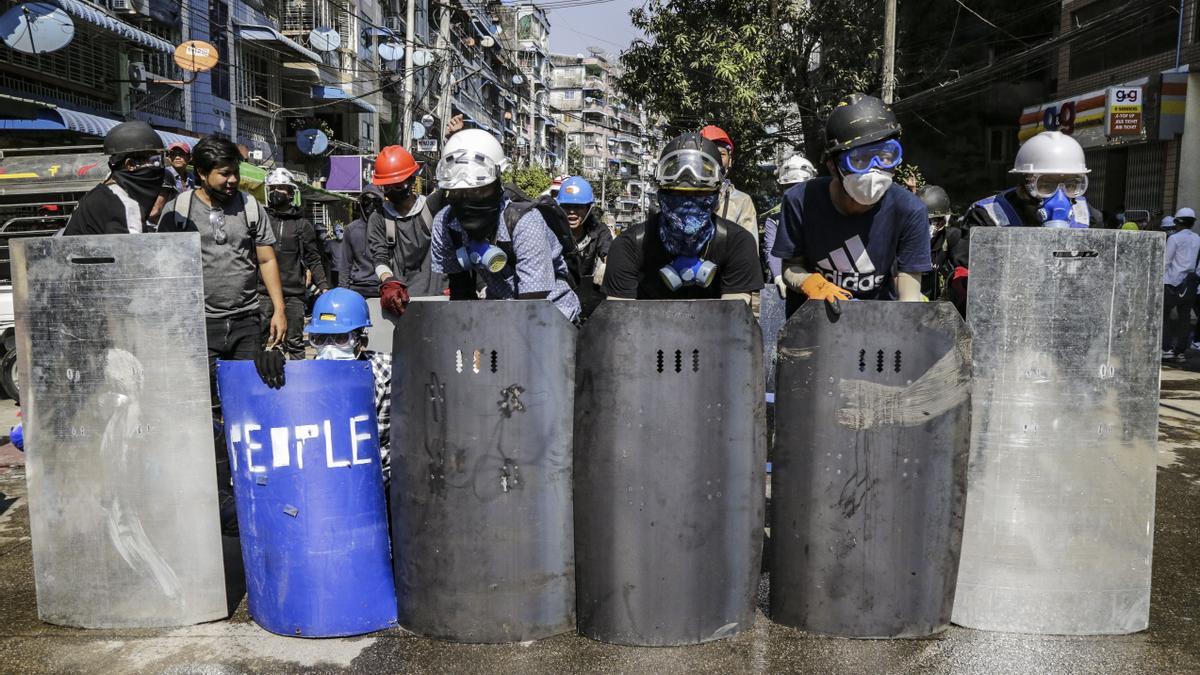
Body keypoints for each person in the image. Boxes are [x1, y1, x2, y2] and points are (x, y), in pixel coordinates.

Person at [773, 93, 931, 314]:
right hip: (812, 324)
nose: (875, 170)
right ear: (832, 165)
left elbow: (909, 297)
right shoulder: (800, 201)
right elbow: (790, 267)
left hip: (877, 324)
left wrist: (908, 328)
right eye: (859, 159)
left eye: (886, 156)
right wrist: (811, 283)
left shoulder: (910, 210)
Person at [157, 136, 288, 388]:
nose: (233, 180)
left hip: (247, 320)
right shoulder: (178, 211)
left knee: (247, 394)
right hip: (198, 325)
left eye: (236, 173)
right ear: (203, 174)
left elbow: (266, 258)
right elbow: (164, 271)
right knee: (205, 399)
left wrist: (279, 311)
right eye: (225, 174)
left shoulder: (251, 207)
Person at [428, 129, 581, 322]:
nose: (467, 200)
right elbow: (460, 291)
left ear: (497, 182)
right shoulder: (446, 224)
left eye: (477, 191)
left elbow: (532, 304)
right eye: (458, 192)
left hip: (552, 318)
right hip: (499, 315)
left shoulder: (524, 222)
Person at [602, 132, 763, 302]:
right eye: (677, 194)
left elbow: (735, 317)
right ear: (661, 195)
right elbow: (619, 319)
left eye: (699, 195)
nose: (687, 205)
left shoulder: (737, 243)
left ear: (716, 196)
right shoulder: (629, 246)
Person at [305, 288, 392, 479]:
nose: (329, 349)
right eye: (319, 339)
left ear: (361, 342)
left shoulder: (389, 373)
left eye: (340, 339)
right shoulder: (304, 381)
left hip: (380, 478)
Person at [963, 130, 1102, 230]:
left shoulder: (1089, 217)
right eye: (1046, 185)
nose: (1060, 198)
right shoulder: (987, 219)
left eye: (1071, 184)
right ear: (1022, 190)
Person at [260, 167, 329, 359]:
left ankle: (298, 384)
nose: (277, 192)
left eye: (282, 188)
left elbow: (313, 258)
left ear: (290, 193)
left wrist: (324, 288)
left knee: (295, 343)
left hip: (293, 293)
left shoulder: (303, 225)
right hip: (263, 292)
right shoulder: (262, 220)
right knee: (258, 340)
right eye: (273, 188)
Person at [369, 145, 443, 311]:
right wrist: (388, 282)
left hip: (439, 298)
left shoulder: (431, 207)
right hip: (401, 302)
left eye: (398, 185)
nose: (393, 191)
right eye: (387, 187)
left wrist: (452, 137)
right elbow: (379, 258)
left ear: (411, 180)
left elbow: (452, 183)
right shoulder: (379, 218)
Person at [62, 121, 166, 236]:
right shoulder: (125, 205)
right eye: (154, 161)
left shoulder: (101, 194)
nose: (159, 167)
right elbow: (134, 252)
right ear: (130, 165)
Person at [557, 176, 612, 318]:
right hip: (557, 300)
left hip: (588, 300)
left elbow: (608, 251)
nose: (572, 212)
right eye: (567, 207)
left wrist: (609, 264)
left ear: (588, 208)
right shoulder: (551, 231)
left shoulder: (599, 231)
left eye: (578, 207)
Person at [762, 154, 817, 297]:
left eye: (800, 187)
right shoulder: (774, 220)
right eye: (789, 188)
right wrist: (778, 277)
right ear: (781, 190)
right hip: (781, 281)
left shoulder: (821, 217)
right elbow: (771, 250)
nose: (795, 193)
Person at [700, 125, 759, 244]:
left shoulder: (741, 201)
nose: (715, 158)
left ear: (730, 161)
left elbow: (749, 252)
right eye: (708, 153)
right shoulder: (682, 194)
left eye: (721, 154)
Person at [1162, 208, 1200, 362]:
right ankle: (1180, 352)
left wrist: (1161, 280)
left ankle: (1167, 348)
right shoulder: (1197, 238)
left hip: (1172, 282)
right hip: (1190, 283)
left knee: (1164, 315)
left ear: (1177, 222)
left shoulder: (1174, 239)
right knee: (1184, 318)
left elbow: (1166, 262)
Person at [919, 185, 964, 302]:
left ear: (942, 222)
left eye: (929, 220)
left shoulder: (950, 238)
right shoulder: (903, 239)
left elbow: (963, 265)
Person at [340, 186, 385, 297]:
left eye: (376, 201)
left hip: (383, 287)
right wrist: (343, 293)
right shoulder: (351, 230)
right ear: (361, 203)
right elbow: (346, 264)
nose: (371, 205)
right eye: (367, 200)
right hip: (357, 288)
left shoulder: (388, 226)